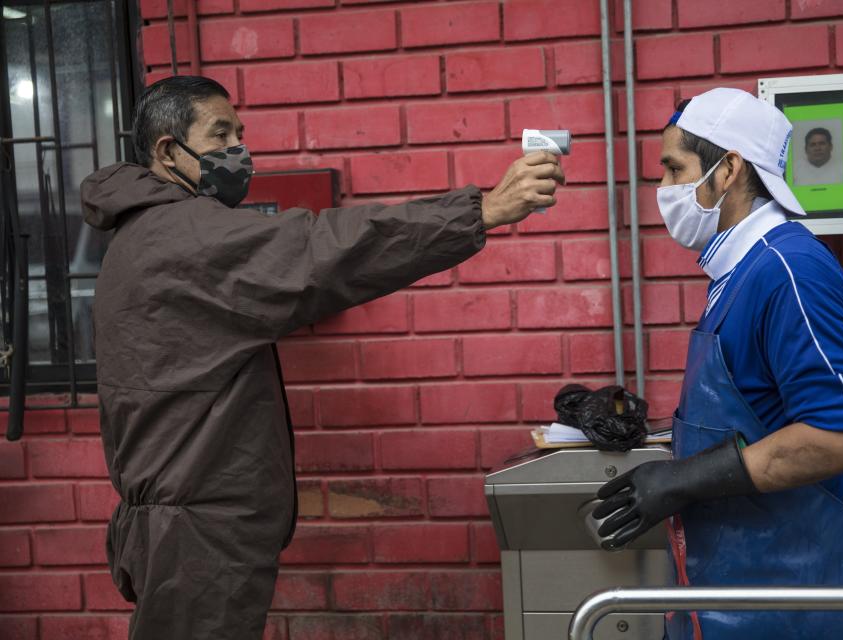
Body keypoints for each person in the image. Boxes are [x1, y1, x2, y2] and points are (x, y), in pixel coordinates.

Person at [80, 75, 564, 640]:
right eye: (220, 134)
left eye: (240, 132)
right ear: (168, 151)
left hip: (179, 523)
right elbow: (322, 250)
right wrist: (482, 209)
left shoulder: (145, 230)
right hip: (195, 534)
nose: (240, 149)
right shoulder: (182, 233)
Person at [592, 88, 843, 639]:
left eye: (675, 169)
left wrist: (683, 481)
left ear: (728, 170)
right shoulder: (738, 274)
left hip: (791, 610)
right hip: (727, 596)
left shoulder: (789, 270)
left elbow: (841, 438)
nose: (664, 189)